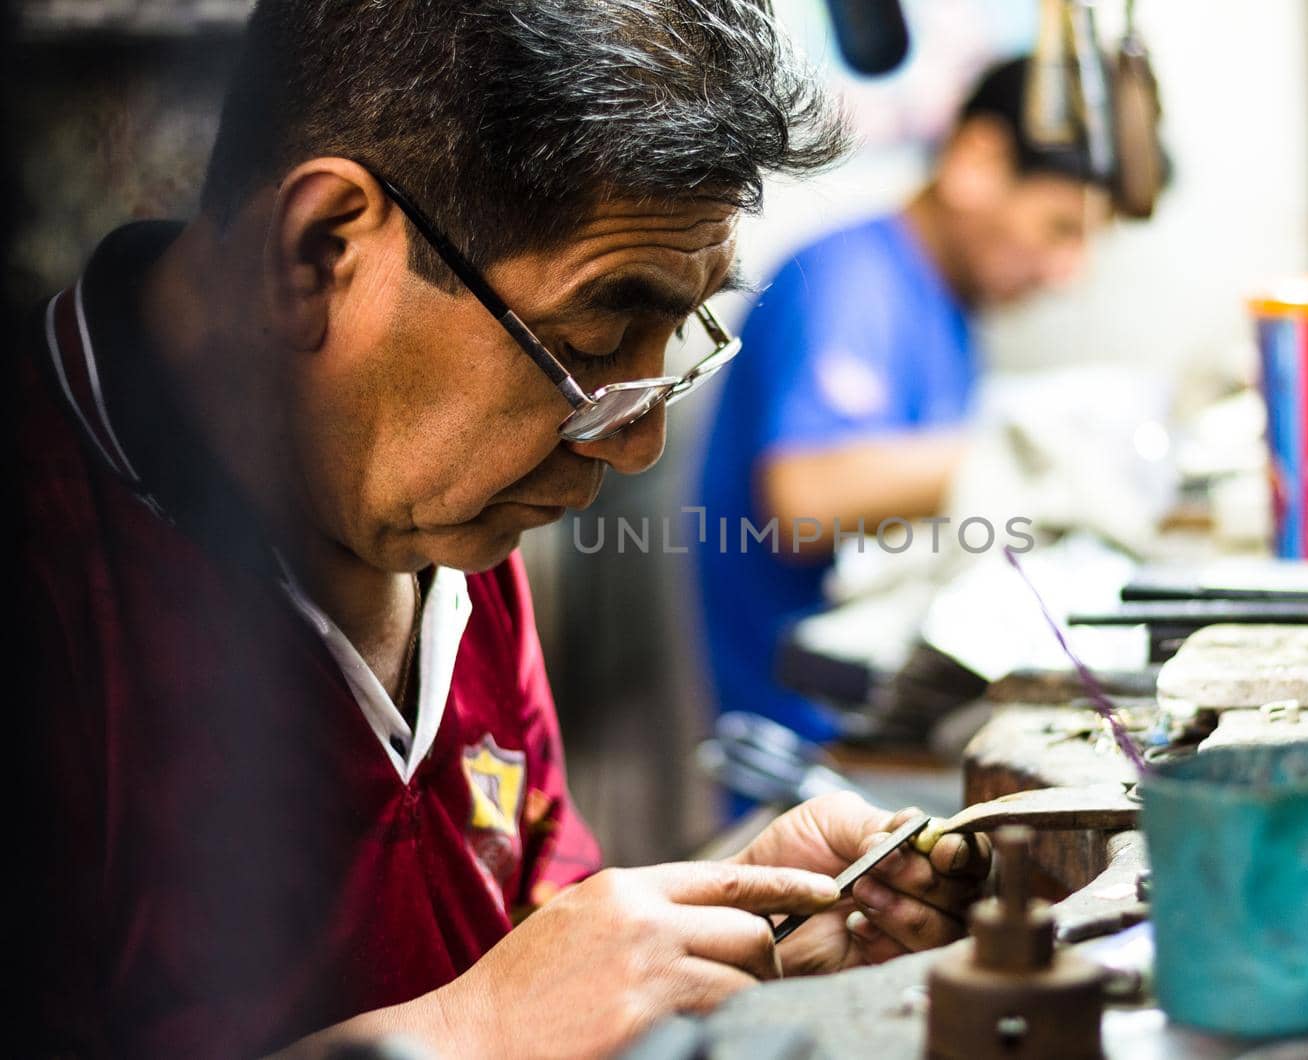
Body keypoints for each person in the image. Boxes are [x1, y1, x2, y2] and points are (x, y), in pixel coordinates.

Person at [13, 3, 990, 1056]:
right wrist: (474, 1029)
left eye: (671, 343)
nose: (635, 445)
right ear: (316, 255)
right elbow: (497, 1009)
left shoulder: (434, 523)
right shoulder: (57, 565)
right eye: (594, 341)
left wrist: (737, 939)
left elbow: (518, 931)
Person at [695, 57, 1112, 742]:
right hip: (815, 740)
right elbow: (804, 497)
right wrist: (1019, 455)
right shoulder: (849, 281)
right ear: (977, 160)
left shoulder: (947, 303)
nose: (1070, 274)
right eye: (1061, 228)